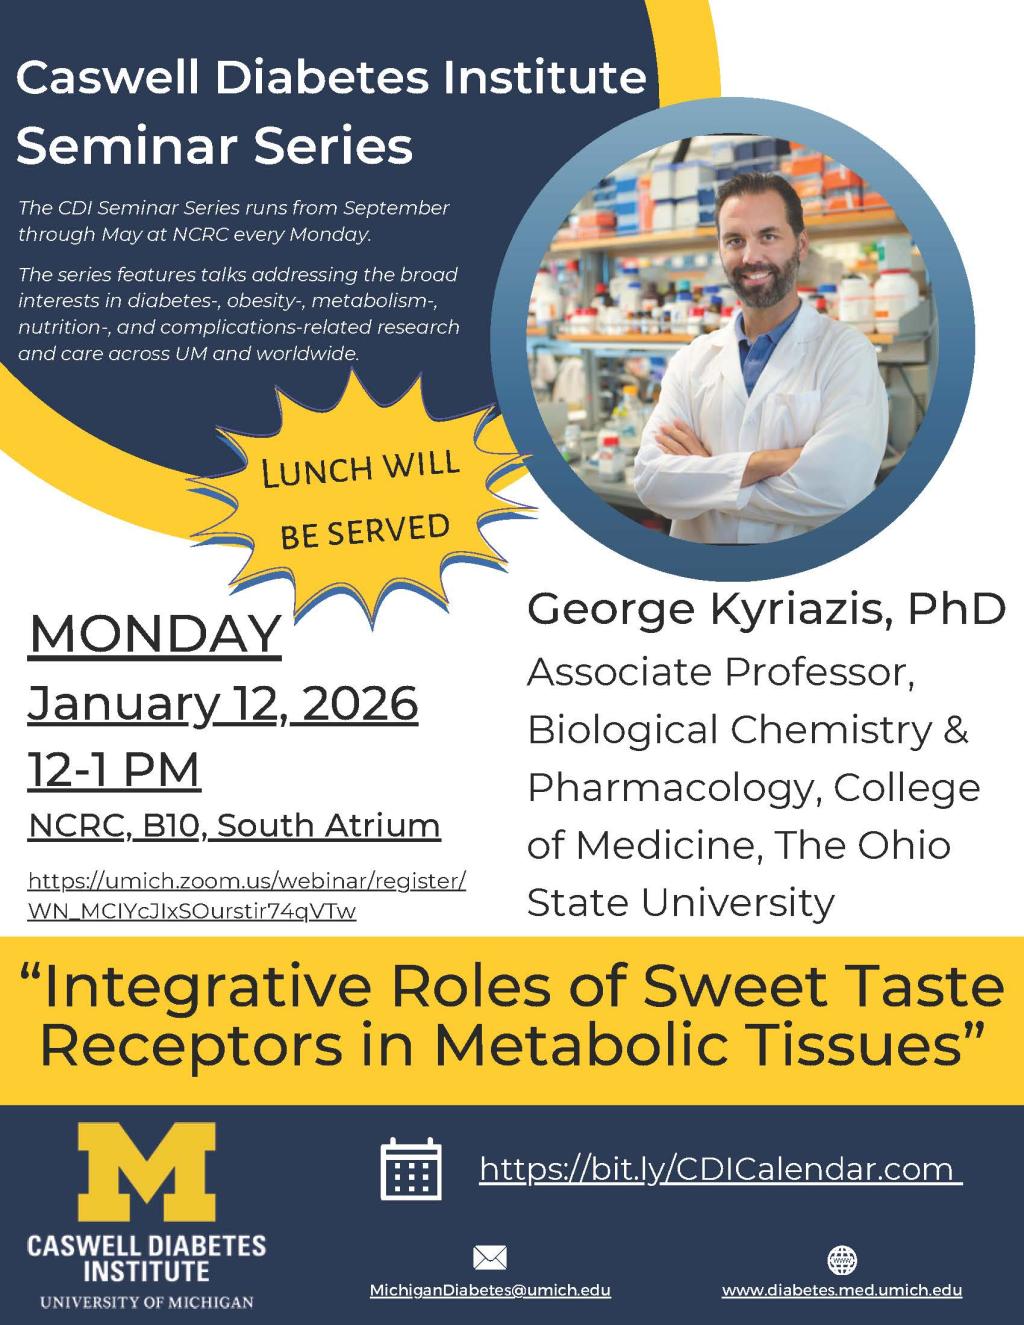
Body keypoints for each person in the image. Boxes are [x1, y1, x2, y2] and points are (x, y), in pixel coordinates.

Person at [633, 171, 888, 543]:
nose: (751, 256)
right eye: (735, 240)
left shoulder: (846, 353)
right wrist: (771, 462)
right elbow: (652, 481)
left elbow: (839, 488)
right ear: (720, 249)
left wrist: (704, 474)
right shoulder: (692, 361)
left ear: (801, 245)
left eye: (768, 236)